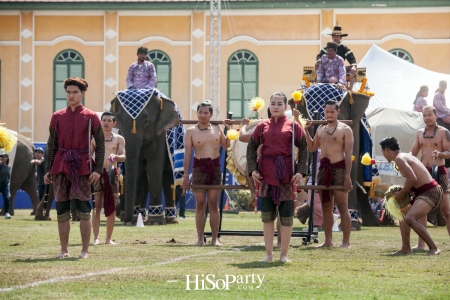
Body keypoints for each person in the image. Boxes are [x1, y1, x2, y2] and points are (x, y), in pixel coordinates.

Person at [44, 77, 105, 259]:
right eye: (68, 92)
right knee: (62, 209)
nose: (71, 95)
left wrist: (97, 170)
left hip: (83, 166)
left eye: (75, 92)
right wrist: (48, 169)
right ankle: (64, 250)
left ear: (83, 93)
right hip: (60, 166)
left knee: (84, 209)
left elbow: (100, 145)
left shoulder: (91, 116)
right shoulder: (57, 116)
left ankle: (84, 250)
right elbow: (52, 144)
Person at [247, 92, 307, 262]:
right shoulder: (261, 126)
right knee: (267, 216)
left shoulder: (294, 126)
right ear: (269, 106)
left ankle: (284, 255)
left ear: (286, 106)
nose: (275, 107)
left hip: (287, 176)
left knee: (287, 217)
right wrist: (253, 170)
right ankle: (268, 254)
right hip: (266, 174)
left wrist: (300, 172)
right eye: (273, 103)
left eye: (279, 104)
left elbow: (303, 149)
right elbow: (251, 149)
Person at [380, 137, 442, 255]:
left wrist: (401, 193)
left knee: (410, 218)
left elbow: (412, 178)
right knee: (403, 216)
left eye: (383, 152)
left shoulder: (400, 159)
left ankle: (434, 248)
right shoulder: (404, 156)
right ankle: (406, 248)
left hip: (431, 192)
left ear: (387, 150)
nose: (383, 155)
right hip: (425, 192)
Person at [304, 100, 353, 248]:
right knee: (326, 207)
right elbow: (312, 147)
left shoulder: (345, 129)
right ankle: (328, 241)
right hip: (323, 171)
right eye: (327, 111)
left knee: (342, 206)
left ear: (337, 112)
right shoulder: (320, 129)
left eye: (332, 111)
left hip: (339, 169)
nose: (329, 114)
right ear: (324, 112)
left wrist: (347, 176)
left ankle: (346, 242)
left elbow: (349, 153)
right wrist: (306, 130)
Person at [182, 102, 231, 246]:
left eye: (206, 113)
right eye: (200, 112)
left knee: (214, 203)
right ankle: (199, 238)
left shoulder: (217, 128)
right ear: (196, 113)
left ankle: (215, 238)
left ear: (211, 115)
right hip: (198, 168)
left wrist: (229, 130)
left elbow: (227, 145)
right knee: (200, 204)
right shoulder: (190, 131)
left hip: (215, 168)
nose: (202, 115)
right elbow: (187, 155)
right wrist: (186, 176)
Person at [410, 105, 450, 249]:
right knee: (421, 210)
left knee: (446, 211)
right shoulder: (419, 133)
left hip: (439, 171)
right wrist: (401, 160)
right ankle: (421, 245)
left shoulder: (443, 132)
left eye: (429, 115)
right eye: (424, 115)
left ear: (436, 115)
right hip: (423, 173)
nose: (427, 118)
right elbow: (413, 153)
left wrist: (440, 154)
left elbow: (449, 152)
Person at [91, 112, 126, 246]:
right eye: (104, 120)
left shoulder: (119, 139)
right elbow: (89, 157)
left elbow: (123, 156)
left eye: (109, 120)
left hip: (112, 175)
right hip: (97, 175)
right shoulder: (94, 139)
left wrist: (116, 157)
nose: (106, 123)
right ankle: (96, 238)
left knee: (110, 207)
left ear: (114, 123)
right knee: (96, 207)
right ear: (100, 122)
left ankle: (108, 238)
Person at [315, 24, 357, 90]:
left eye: (337, 36)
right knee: (317, 66)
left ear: (340, 37)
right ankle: (318, 85)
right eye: (334, 36)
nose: (335, 37)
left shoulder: (344, 49)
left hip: (340, 68)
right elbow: (319, 56)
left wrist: (353, 66)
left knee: (353, 71)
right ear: (332, 37)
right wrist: (320, 61)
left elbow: (351, 58)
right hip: (327, 69)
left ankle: (350, 90)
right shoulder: (327, 48)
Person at [0, 154, 11, 219]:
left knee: (7, 198)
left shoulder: (9, 166)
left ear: (7, 158)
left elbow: (9, 176)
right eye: (1, 157)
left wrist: (8, 183)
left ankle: (6, 213)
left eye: (4, 157)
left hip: (5, 185)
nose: (2, 158)